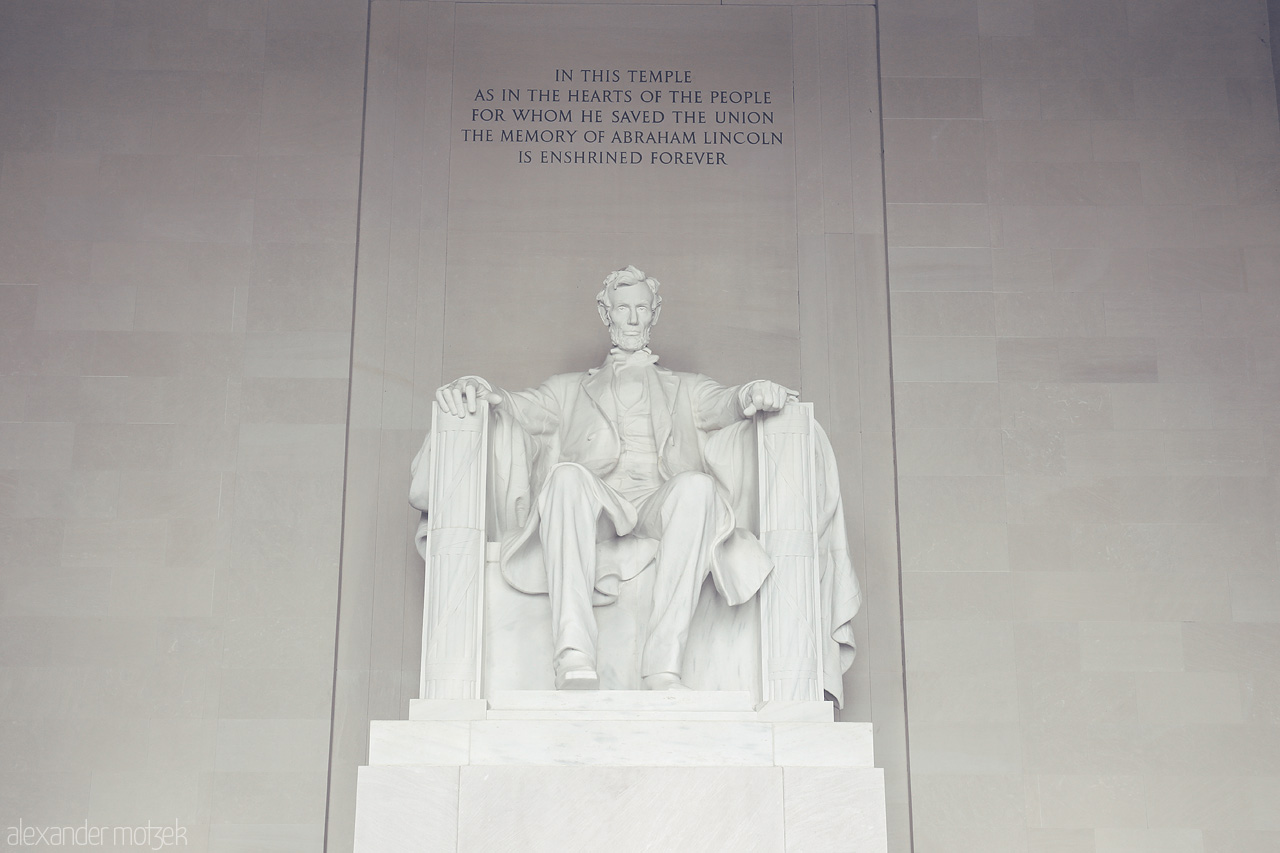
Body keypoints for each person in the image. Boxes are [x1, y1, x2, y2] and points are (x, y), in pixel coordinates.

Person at [434, 265, 797, 691]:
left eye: (641, 308)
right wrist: (476, 385)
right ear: (605, 314)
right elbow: (514, 406)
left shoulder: (686, 387)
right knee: (566, 477)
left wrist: (753, 391)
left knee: (698, 487)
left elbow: (727, 403)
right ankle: (573, 654)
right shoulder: (568, 389)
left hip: (659, 502)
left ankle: (664, 664)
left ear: (654, 313)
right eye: (622, 308)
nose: (631, 318)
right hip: (600, 503)